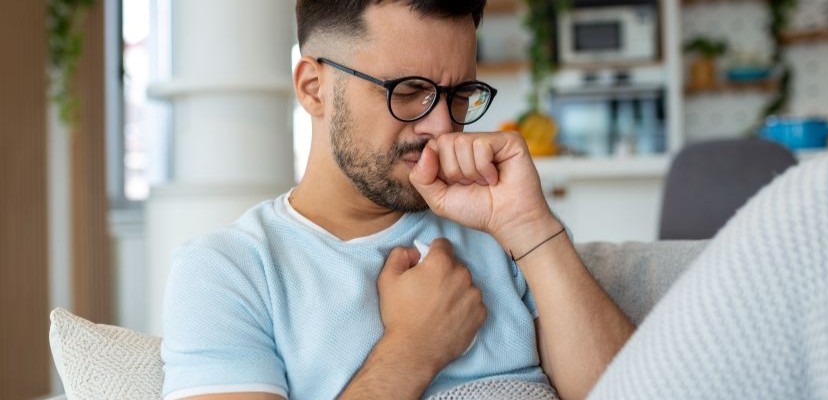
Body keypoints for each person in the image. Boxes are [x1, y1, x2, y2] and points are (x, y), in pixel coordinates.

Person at [161, 1, 634, 399]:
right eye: (409, 92)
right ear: (313, 88)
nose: (443, 128)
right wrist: (414, 348)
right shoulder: (227, 271)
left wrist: (532, 229)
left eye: (460, 95)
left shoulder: (502, 225)